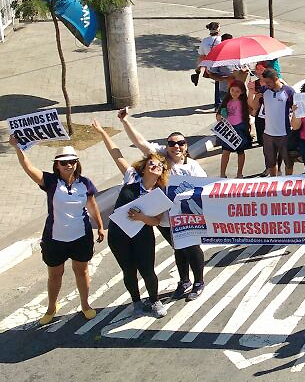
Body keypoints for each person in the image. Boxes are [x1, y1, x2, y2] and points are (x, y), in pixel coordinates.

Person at [115, 109, 208, 300]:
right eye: (172, 143)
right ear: (167, 146)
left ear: (186, 146)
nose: (176, 147)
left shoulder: (193, 167)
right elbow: (141, 143)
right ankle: (184, 281)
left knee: (191, 248)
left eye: (181, 143)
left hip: (187, 217)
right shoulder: (162, 158)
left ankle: (199, 282)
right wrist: (125, 122)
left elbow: (206, 190)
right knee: (178, 248)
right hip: (165, 218)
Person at [9, 138, 104, 324]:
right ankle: (52, 307)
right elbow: (28, 168)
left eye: (72, 161)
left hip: (81, 237)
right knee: (54, 275)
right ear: (57, 165)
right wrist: (17, 147)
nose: (69, 165)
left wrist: (100, 226)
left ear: (77, 163)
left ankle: (85, 305)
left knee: (81, 271)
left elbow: (92, 206)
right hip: (55, 239)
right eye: (64, 162)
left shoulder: (85, 183)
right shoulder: (50, 181)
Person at [93, 127, 170, 317]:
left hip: (142, 235)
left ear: (161, 173)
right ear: (143, 167)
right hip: (119, 235)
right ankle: (136, 302)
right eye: (151, 164)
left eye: (159, 166)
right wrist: (103, 132)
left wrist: (141, 218)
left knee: (147, 270)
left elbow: (156, 221)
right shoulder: (131, 177)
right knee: (128, 271)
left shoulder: (160, 193)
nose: (155, 166)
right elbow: (116, 154)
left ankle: (155, 301)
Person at [248, 67, 296, 176]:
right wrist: (256, 97)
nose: (266, 84)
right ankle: (274, 181)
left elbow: (297, 108)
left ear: (275, 78)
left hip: (284, 134)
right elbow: (254, 107)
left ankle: (288, 181)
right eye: (264, 81)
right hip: (268, 134)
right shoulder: (264, 90)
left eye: (268, 82)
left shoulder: (289, 91)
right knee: (271, 162)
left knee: (288, 162)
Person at [215, 79, 251, 178]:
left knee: (240, 152)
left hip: (240, 128)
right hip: (228, 129)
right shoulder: (226, 101)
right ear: (229, 90)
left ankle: (239, 173)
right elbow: (219, 113)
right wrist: (219, 116)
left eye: (237, 91)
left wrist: (251, 91)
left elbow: (252, 111)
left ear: (242, 92)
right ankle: (222, 173)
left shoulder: (243, 103)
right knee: (225, 151)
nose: (234, 93)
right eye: (232, 90)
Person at [191, 21, 221, 87]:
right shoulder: (222, 40)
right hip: (223, 66)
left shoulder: (205, 41)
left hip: (210, 68)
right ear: (218, 30)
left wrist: (198, 69)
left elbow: (202, 56)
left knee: (217, 84)